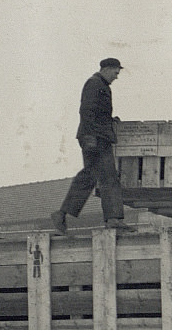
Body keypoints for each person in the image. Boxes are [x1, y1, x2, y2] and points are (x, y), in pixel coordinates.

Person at [51, 58, 135, 236]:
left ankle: (62, 213)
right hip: (96, 138)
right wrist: (90, 138)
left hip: (96, 136)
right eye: (115, 72)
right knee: (109, 178)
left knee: (90, 175)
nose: (116, 76)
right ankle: (113, 219)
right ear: (106, 69)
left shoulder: (100, 84)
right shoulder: (94, 83)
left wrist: (110, 121)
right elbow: (86, 111)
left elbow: (97, 112)